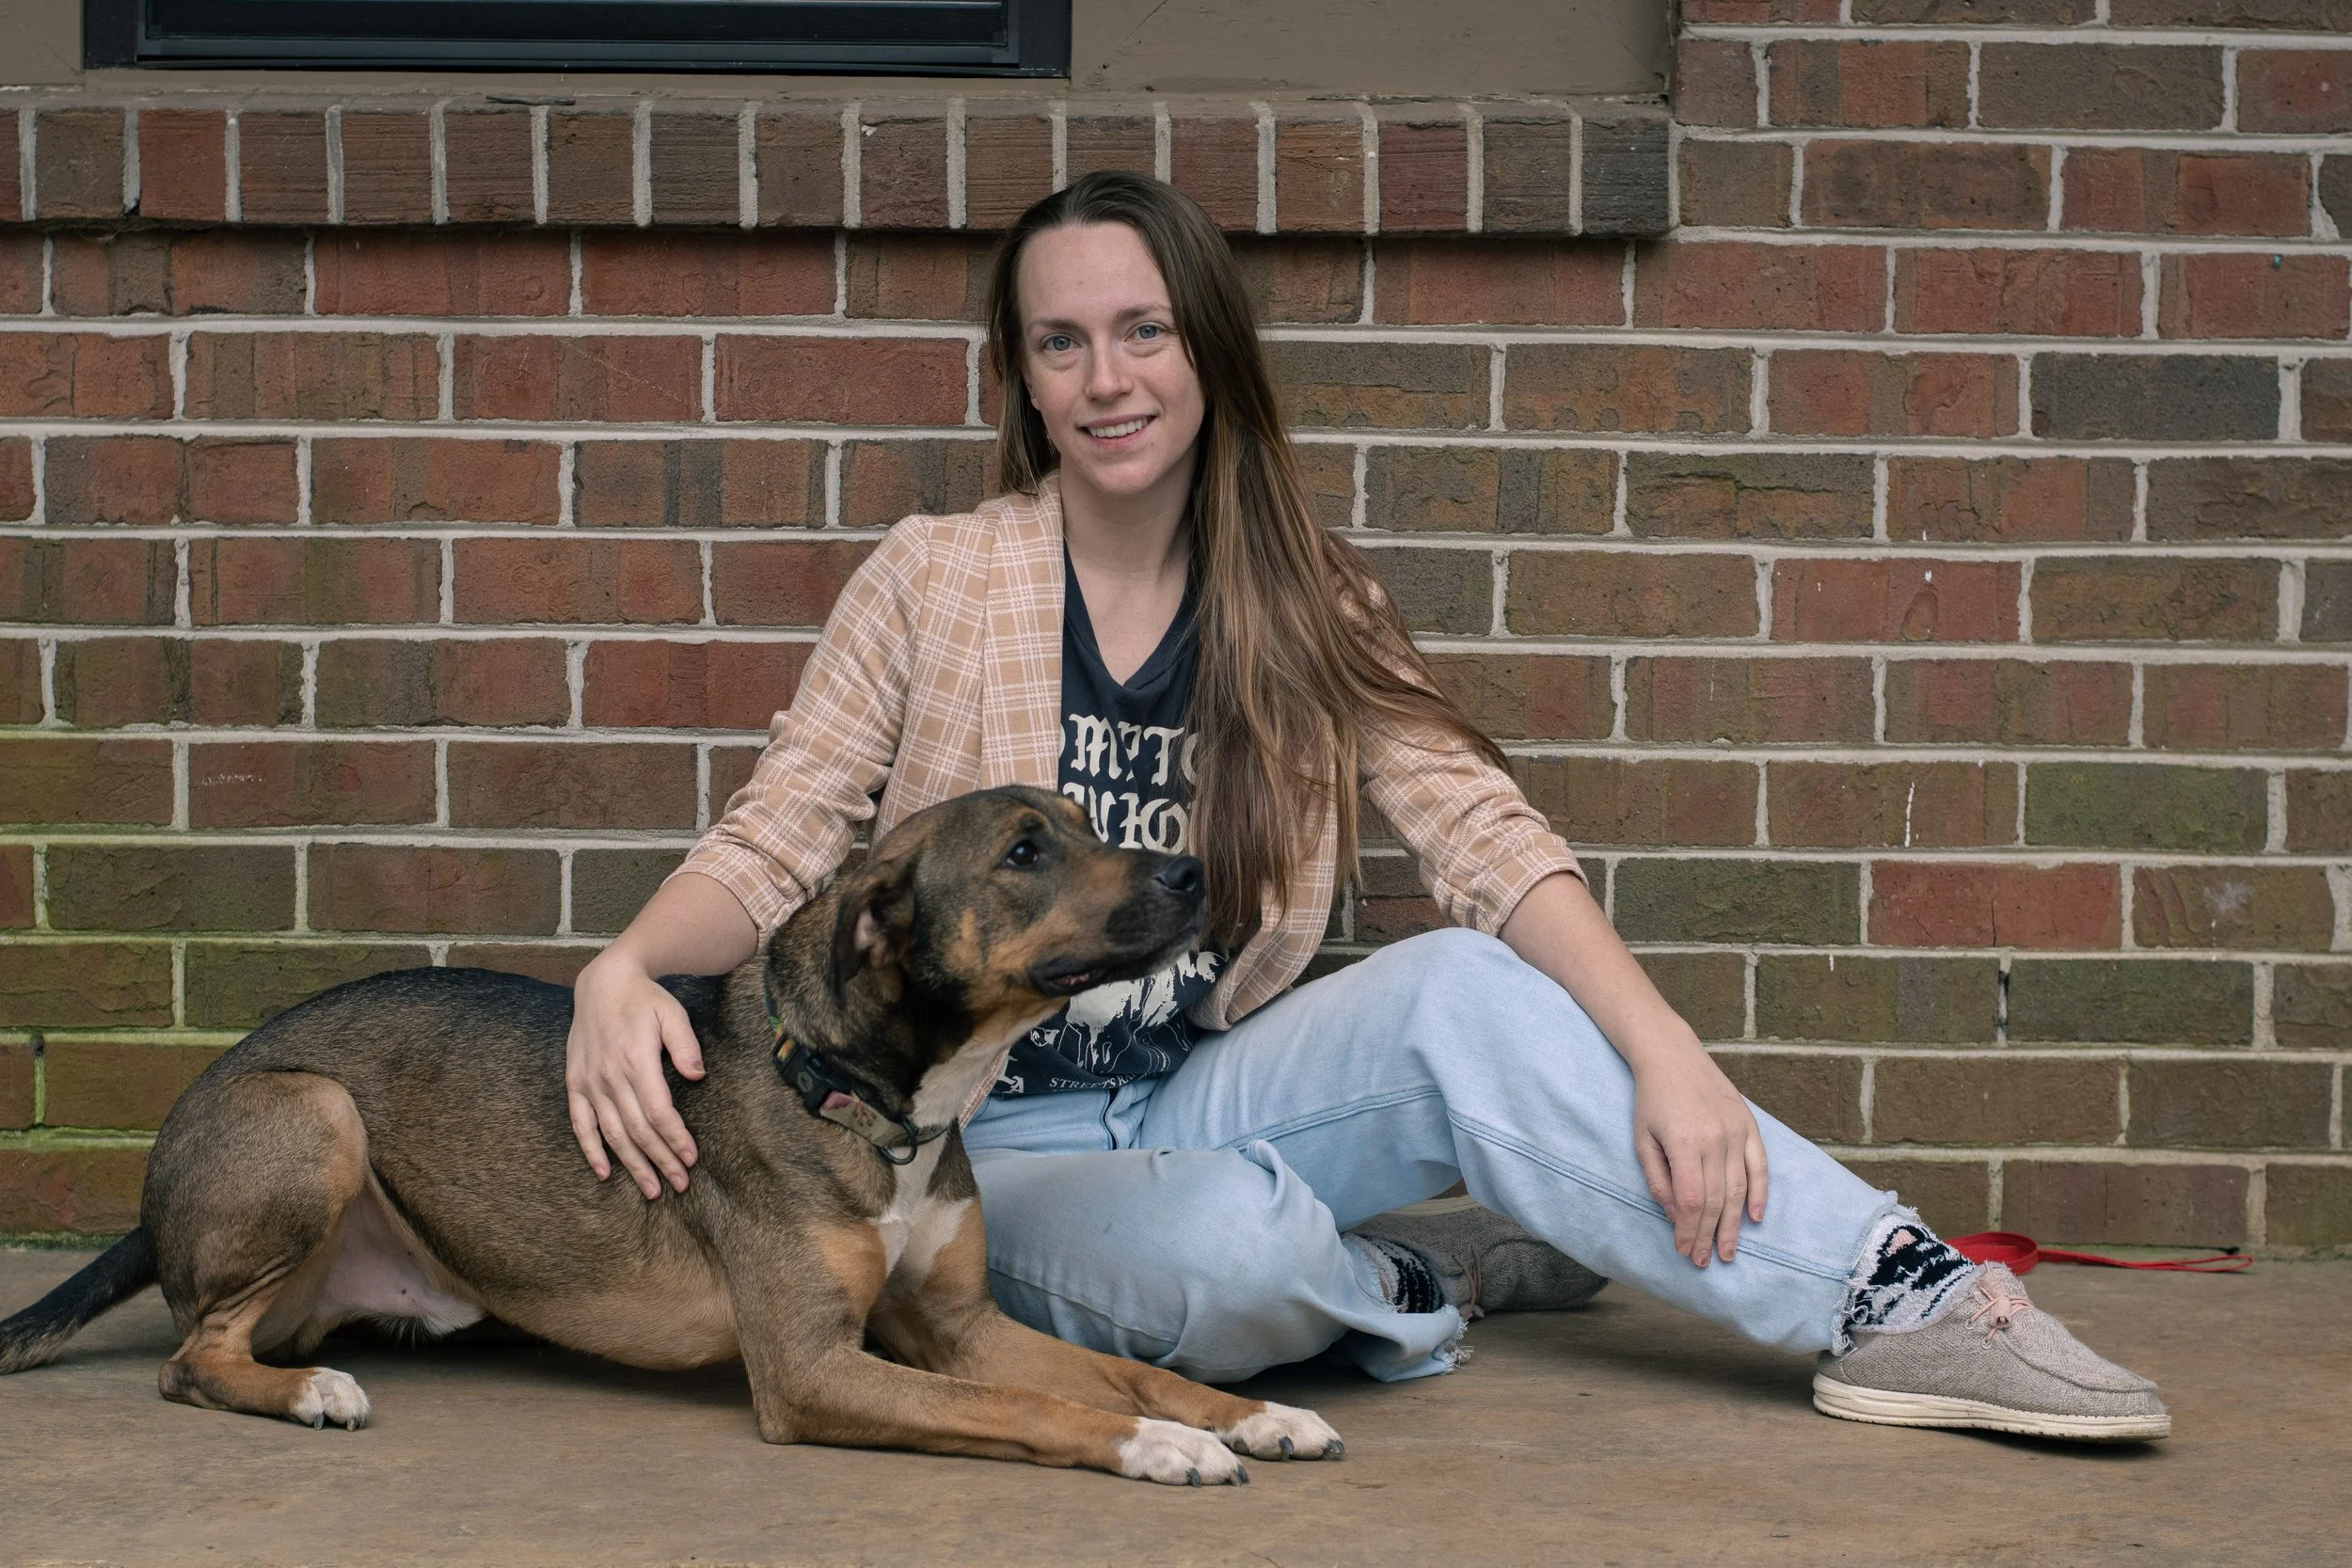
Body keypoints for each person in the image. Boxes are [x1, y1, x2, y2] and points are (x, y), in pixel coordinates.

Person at [564, 172, 2169, 1442]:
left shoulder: (1301, 594)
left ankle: (1898, 1294)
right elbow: (786, 829)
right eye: (1063, 343)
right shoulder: (934, 576)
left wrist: (1671, 1053)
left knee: (1466, 991)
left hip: (1200, 1090)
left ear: (1207, 345)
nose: (1108, 377)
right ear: (1028, 381)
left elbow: (1476, 828)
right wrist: (625, 967)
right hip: (978, 1148)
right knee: (1226, 1254)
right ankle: (1400, 1278)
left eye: (1143, 329)